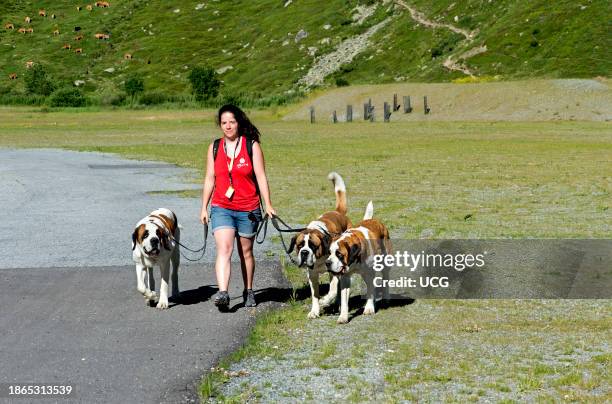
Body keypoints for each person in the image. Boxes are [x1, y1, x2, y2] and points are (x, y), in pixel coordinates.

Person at [200, 104, 276, 310]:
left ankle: (248, 290)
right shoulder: (214, 147)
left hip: (248, 208)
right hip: (221, 206)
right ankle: (223, 293)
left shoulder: (251, 145)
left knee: (246, 252)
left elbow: (261, 177)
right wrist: (204, 207)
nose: (228, 126)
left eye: (231, 122)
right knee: (224, 248)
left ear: (239, 122)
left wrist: (267, 204)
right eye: (224, 123)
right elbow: (209, 178)